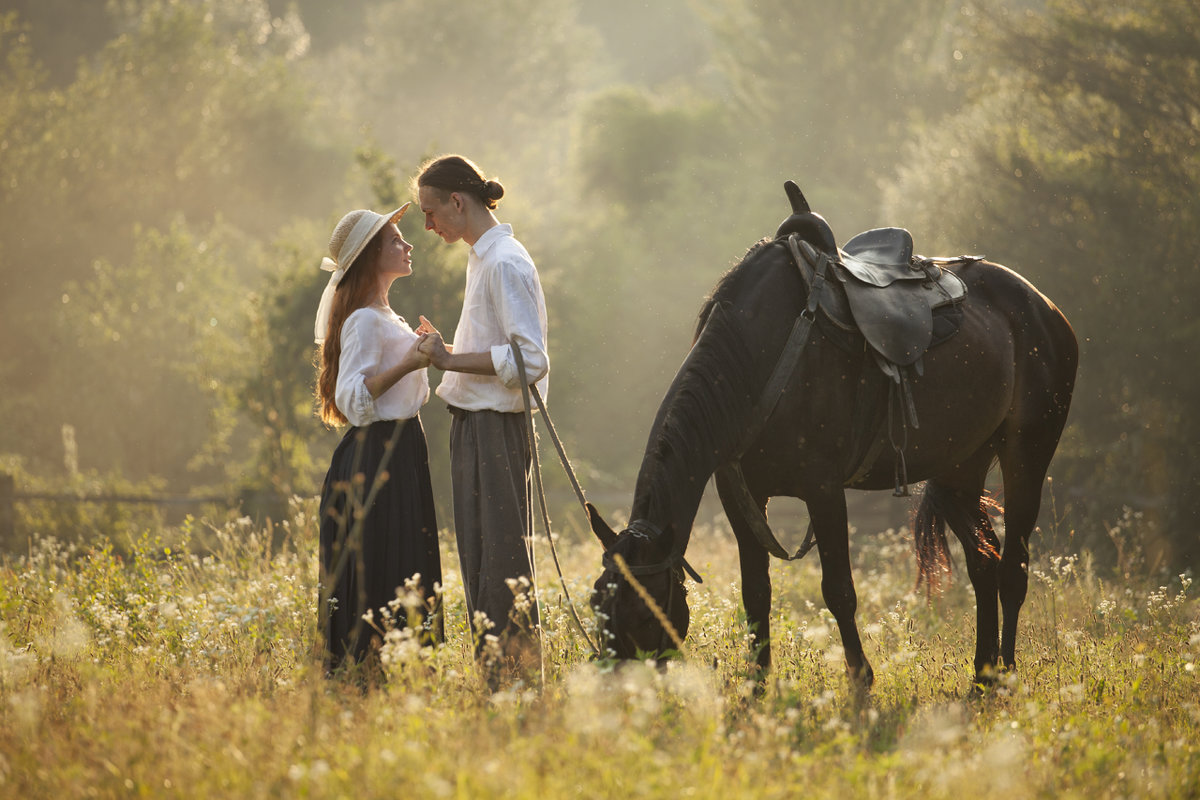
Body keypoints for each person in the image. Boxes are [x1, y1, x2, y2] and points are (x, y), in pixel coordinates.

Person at [413, 155, 549, 684]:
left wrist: (448, 360)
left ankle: (516, 683)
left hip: (496, 429)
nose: (428, 225)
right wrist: (450, 350)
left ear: (457, 201)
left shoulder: (504, 262)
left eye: (430, 212)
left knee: (502, 561)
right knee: (478, 556)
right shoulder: (482, 258)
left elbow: (529, 360)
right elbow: (498, 349)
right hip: (475, 423)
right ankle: (498, 678)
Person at [314, 202, 443, 677]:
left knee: (404, 557)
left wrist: (423, 353)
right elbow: (351, 398)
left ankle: (399, 669)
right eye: (395, 240)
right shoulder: (365, 319)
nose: (408, 245)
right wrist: (409, 362)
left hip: (404, 448)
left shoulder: (389, 316)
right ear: (371, 255)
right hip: (376, 454)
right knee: (380, 564)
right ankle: (365, 674)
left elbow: (407, 388)